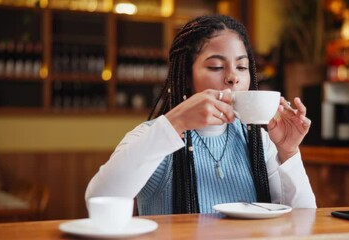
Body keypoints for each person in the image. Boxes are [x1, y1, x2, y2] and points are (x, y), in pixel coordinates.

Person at [85, 14, 316, 215]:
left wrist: (288, 152)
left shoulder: (257, 140)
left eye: (242, 67)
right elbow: (98, 200)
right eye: (216, 67)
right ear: (186, 76)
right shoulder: (155, 135)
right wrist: (176, 121)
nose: (232, 77)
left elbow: (303, 220)